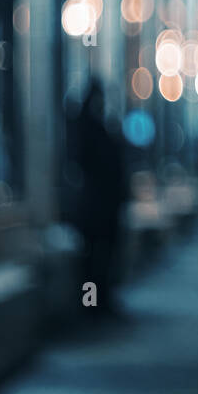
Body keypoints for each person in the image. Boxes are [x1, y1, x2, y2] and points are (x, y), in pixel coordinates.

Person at [66, 81, 128, 317]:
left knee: (99, 259)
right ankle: (93, 305)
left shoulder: (96, 129)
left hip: (100, 208)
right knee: (96, 260)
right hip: (97, 209)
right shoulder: (91, 130)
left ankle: (97, 303)